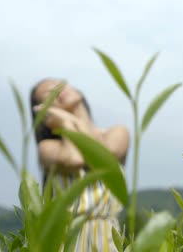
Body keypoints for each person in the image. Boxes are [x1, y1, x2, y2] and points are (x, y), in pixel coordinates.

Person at [30, 78, 129, 252]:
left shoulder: (117, 132)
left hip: (107, 236)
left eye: (61, 85)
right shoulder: (47, 147)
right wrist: (66, 123)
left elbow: (102, 155)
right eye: (49, 94)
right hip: (65, 238)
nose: (58, 91)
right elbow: (73, 159)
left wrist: (73, 119)